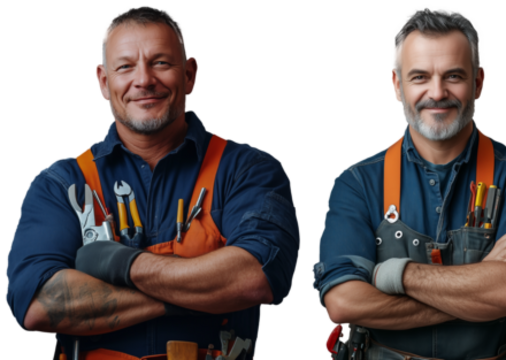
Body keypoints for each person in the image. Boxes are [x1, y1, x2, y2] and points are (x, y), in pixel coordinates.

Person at [3, 5, 302, 360]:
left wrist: (120, 265)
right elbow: (38, 305)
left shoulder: (249, 170)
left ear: (191, 74)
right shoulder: (59, 184)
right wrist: (198, 292)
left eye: (161, 62)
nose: (143, 80)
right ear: (103, 81)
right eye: (125, 66)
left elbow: (257, 277)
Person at [310, 7, 506, 360]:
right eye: (419, 77)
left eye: (454, 76)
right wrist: (485, 281)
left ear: (479, 83)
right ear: (396, 85)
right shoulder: (357, 182)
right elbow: (342, 303)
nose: (437, 92)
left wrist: (393, 274)